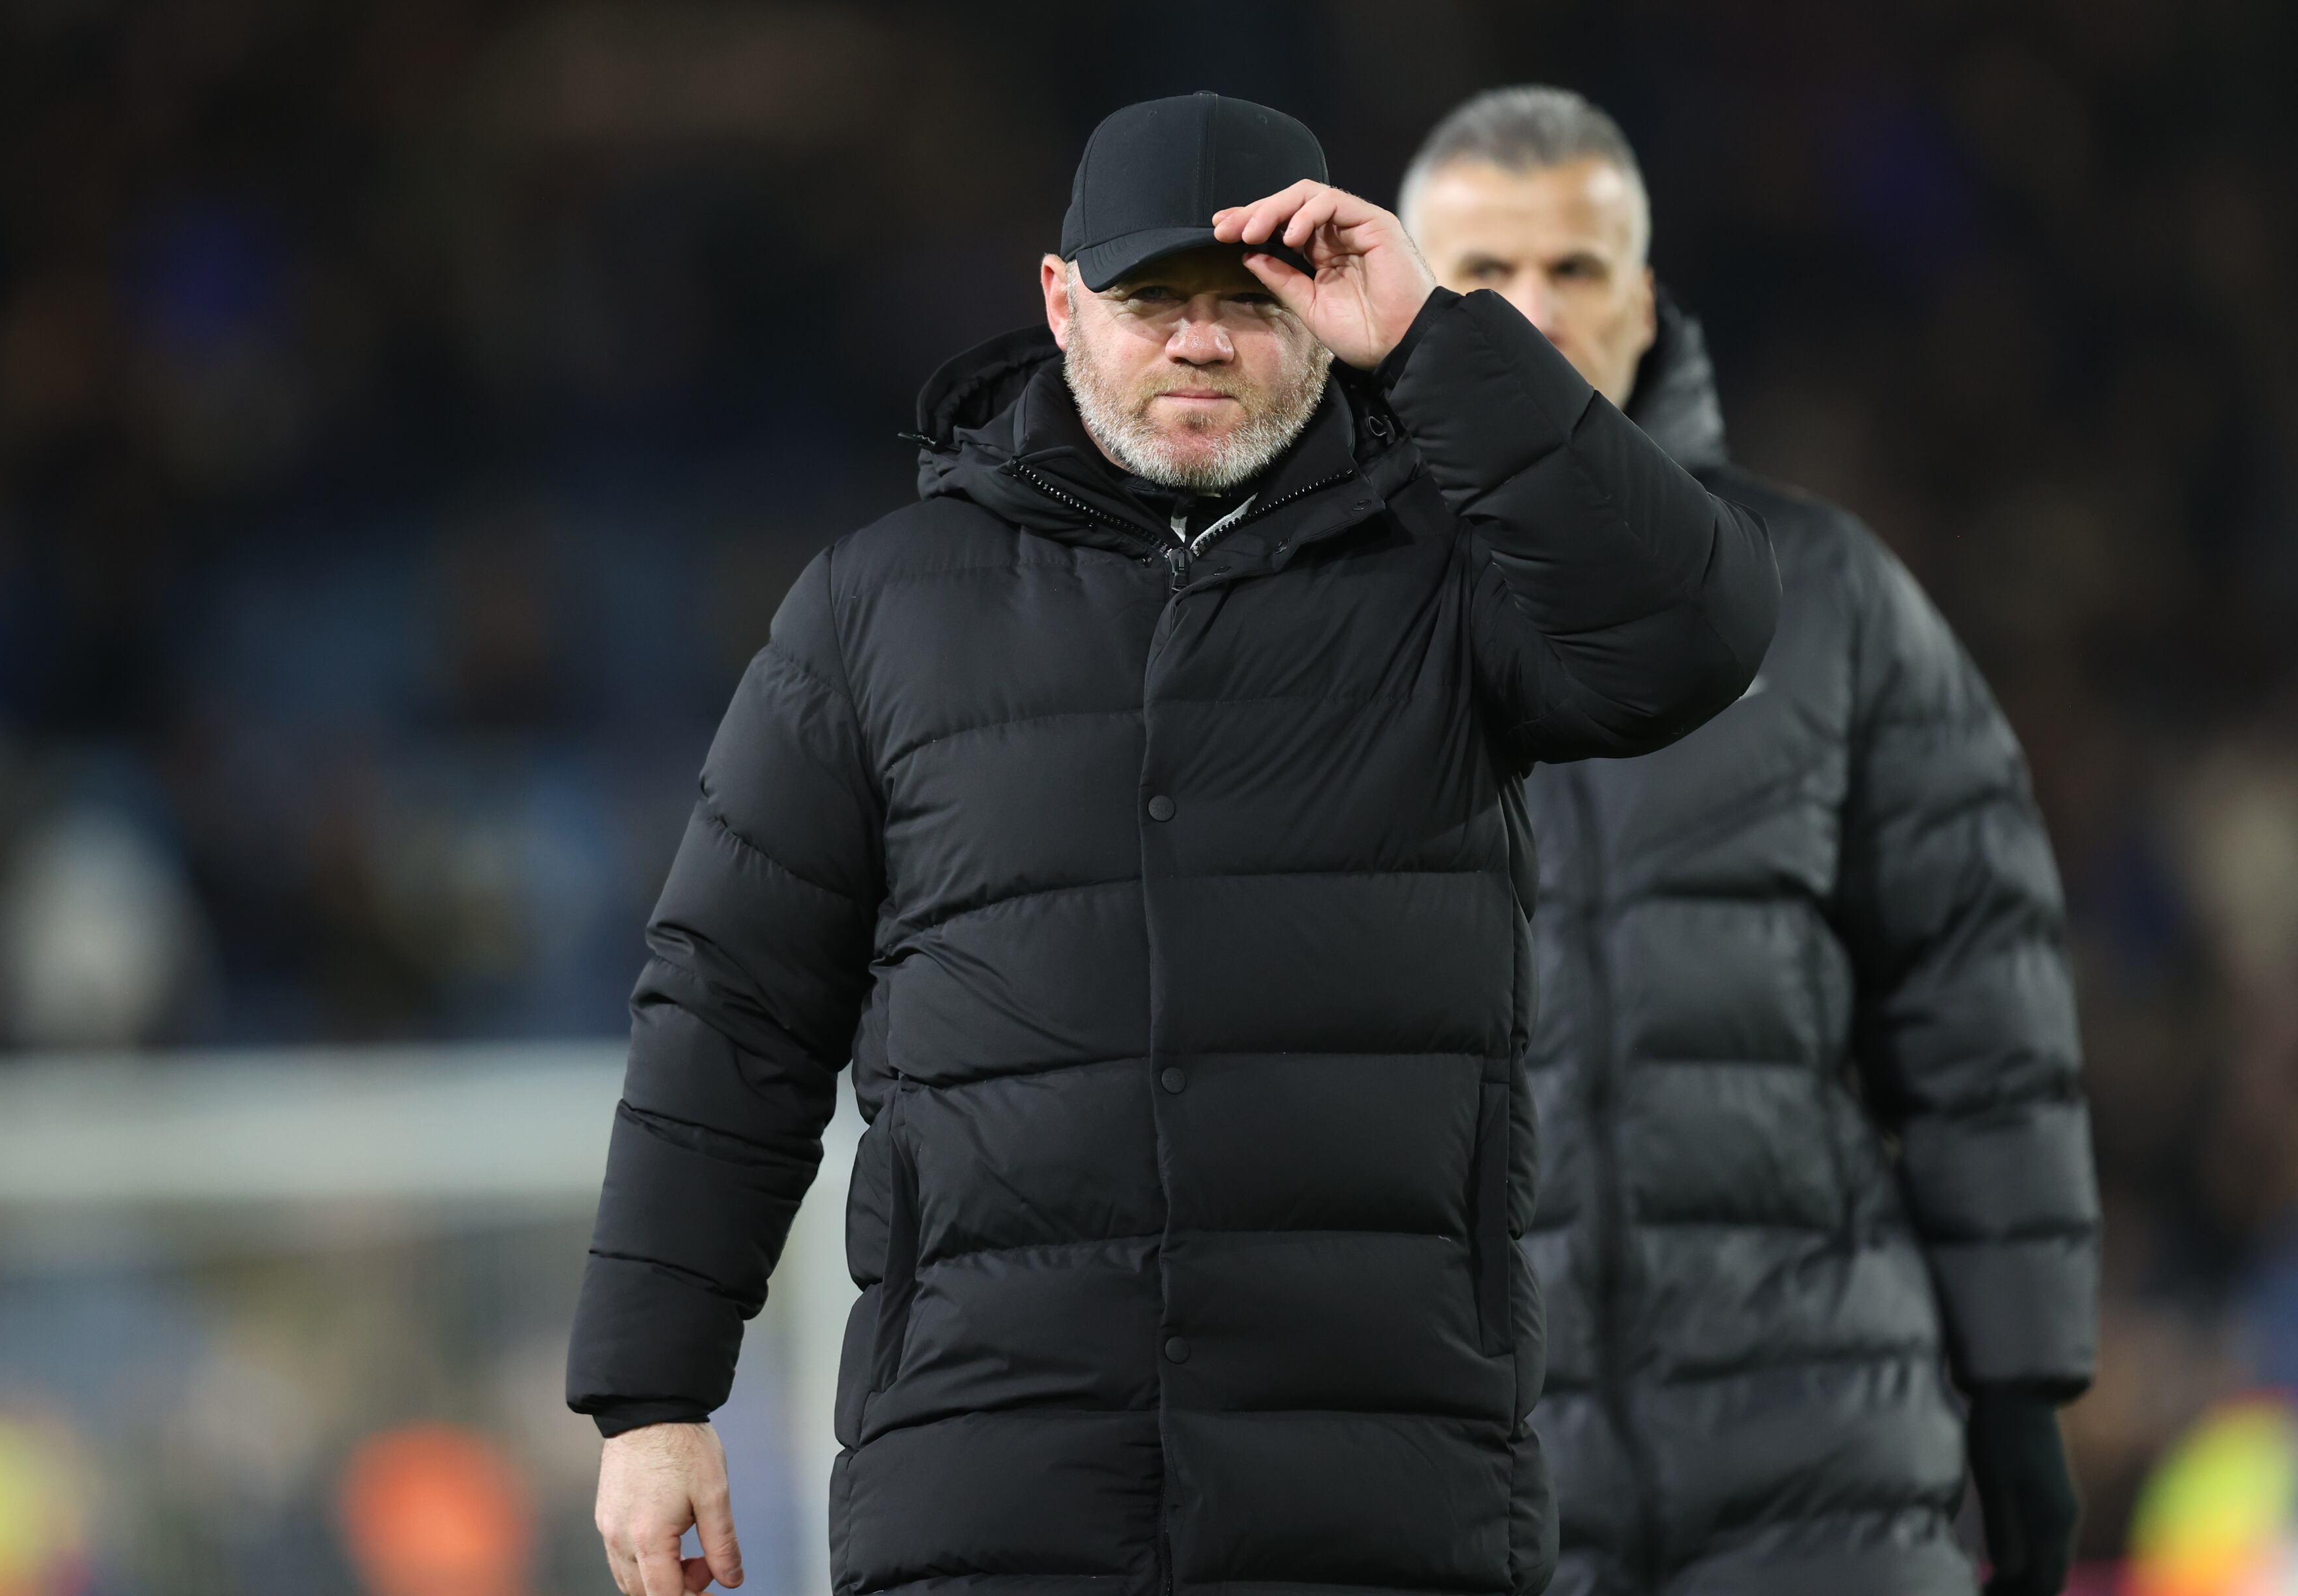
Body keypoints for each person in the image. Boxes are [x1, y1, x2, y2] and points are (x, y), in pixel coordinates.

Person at [569, 91, 1779, 1596]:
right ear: (1060, 301)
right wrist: (653, 1392)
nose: (1201, 342)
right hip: (992, 1482)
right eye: (1154, 300)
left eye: (1254, 300)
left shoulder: (1454, 572)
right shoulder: (875, 609)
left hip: (1385, 1496)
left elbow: (1700, 636)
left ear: (1326, 315)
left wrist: (1435, 342)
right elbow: (730, 1005)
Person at [1401, 86, 2098, 1596]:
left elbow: (1982, 1013)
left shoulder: (1830, 600)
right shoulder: (1328, 629)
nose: (1533, 313)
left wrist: (2024, 1380)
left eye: (1575, 268)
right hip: (1469, 1489)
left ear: (1646, 301)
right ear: (1398, 313)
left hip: (1826, 1466)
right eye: (1482, 277)